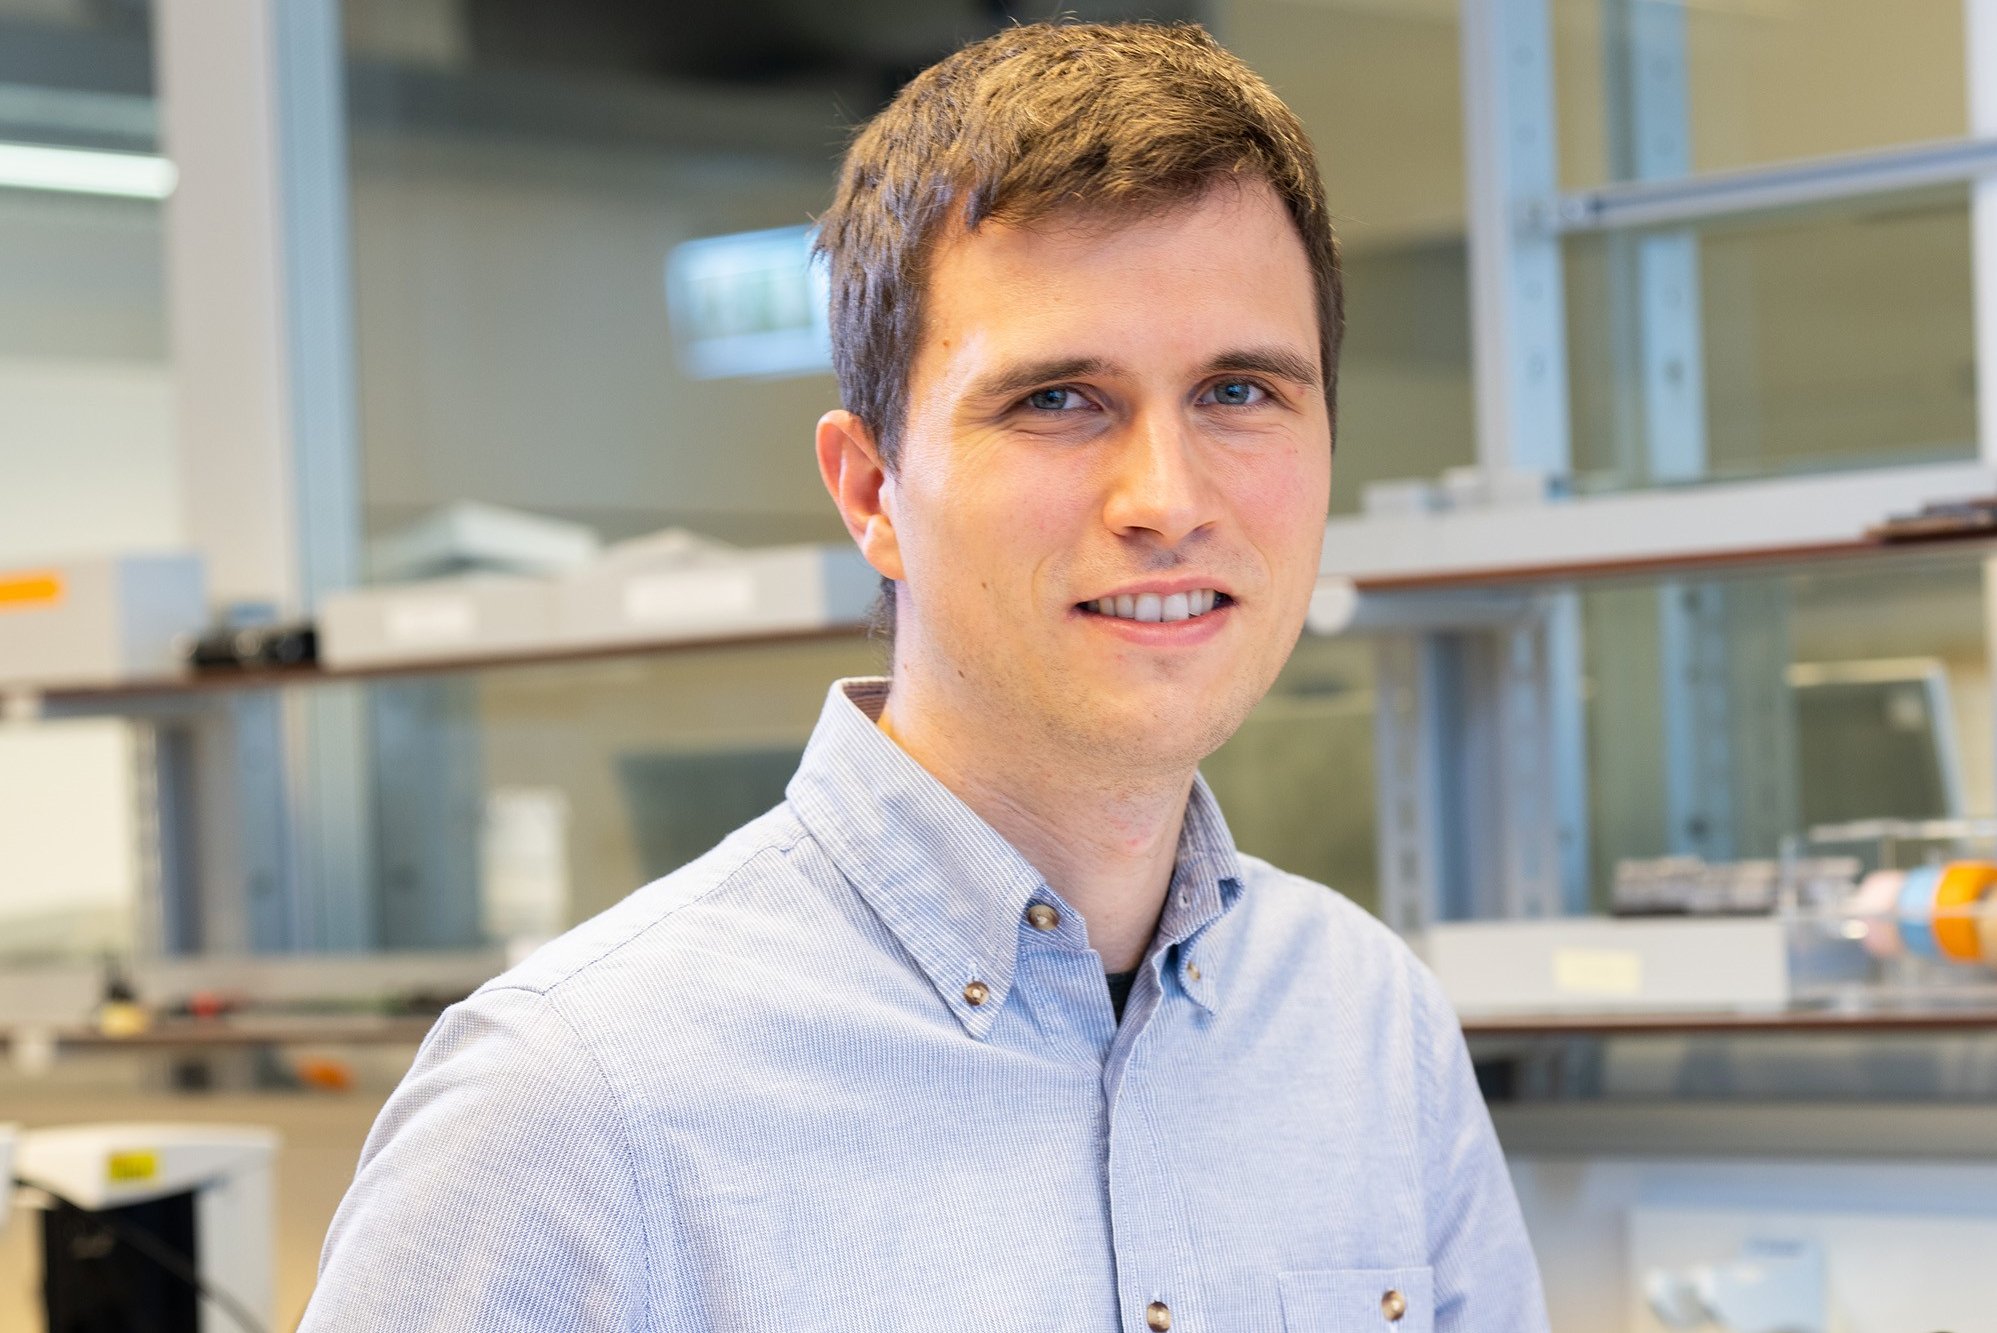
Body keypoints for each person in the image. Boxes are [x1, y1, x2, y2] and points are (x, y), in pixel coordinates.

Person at [303, 20, 1549, 1332]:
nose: (1167, 499)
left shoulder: (1368, 1030)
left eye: (1239, 391)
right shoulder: (575, 1107)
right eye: (1057, 400)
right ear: (869, 491)